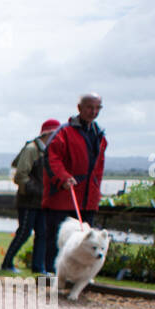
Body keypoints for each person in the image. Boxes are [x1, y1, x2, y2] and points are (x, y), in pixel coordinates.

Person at [41, 93, 107, 274]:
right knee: (57, 236)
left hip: (88, 198)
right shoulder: (63, 133)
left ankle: (79, 275)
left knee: (86, 240)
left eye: (97, 108)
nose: (93, 112)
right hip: (64, 195)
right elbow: (51, 158)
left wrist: (96, 193)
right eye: (89, 107)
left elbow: (98, 170)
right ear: (79, 108)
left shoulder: (100, 135)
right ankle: (51, 272)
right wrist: (63, 177)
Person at [1, 119, 59, 273]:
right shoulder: (32, 149)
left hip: (42, 201)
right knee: (24, 232)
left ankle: (38, 267)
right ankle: (7, 263)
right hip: (28, 200)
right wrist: (38, 190)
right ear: (49, 133)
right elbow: (20, 176)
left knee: (43, 233)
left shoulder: (48, 150)